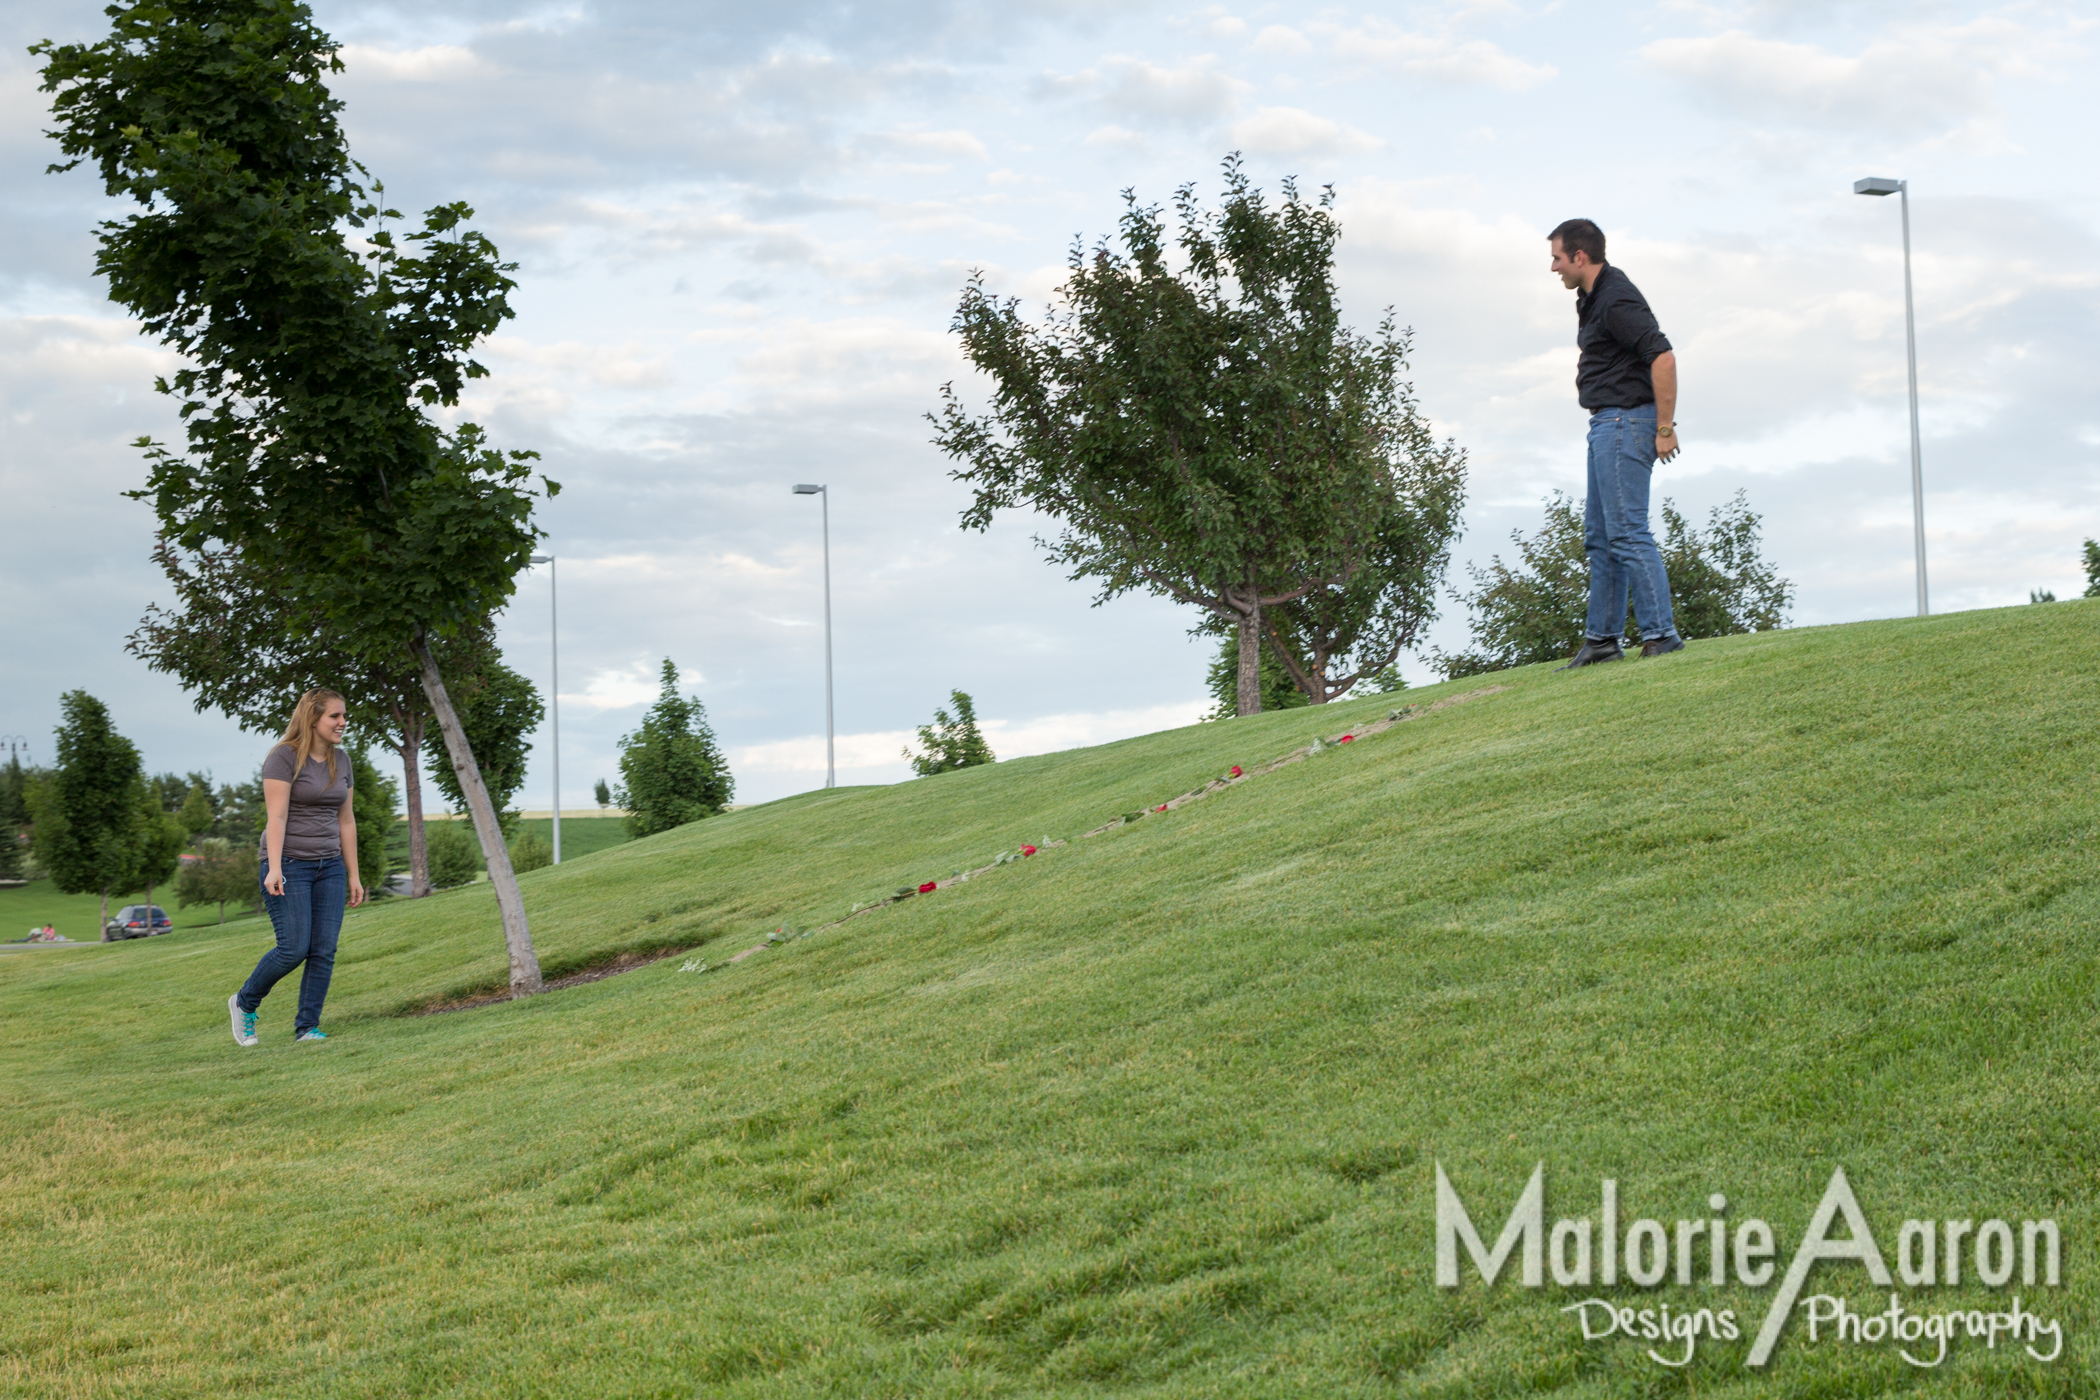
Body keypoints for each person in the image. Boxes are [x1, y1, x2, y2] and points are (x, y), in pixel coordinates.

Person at [1547, 218, 1686, 668]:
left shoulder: (1616, 297)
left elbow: (1661, 355)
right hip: (1606, 422)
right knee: (1601, 536)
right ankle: (1603, 640)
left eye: (1557, 258)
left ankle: (1661, 635)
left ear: (1580, 257)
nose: (1554, 268)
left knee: (1627, 532)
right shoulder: (1591, 297)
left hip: (1627, 421)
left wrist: (1664, 427)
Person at [229, 688, 364, 1046]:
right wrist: (274, 868)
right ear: (313, 718)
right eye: (335, 716)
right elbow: (277, 815)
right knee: (293, 948)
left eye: (343, 715)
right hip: (289, 863)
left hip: (330, 866)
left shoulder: (343, 761)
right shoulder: (283, 758)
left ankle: (307, 1027)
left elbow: (346, 820)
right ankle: (244, 1003)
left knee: (324, 949)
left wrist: (353, 874)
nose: (342, 722)